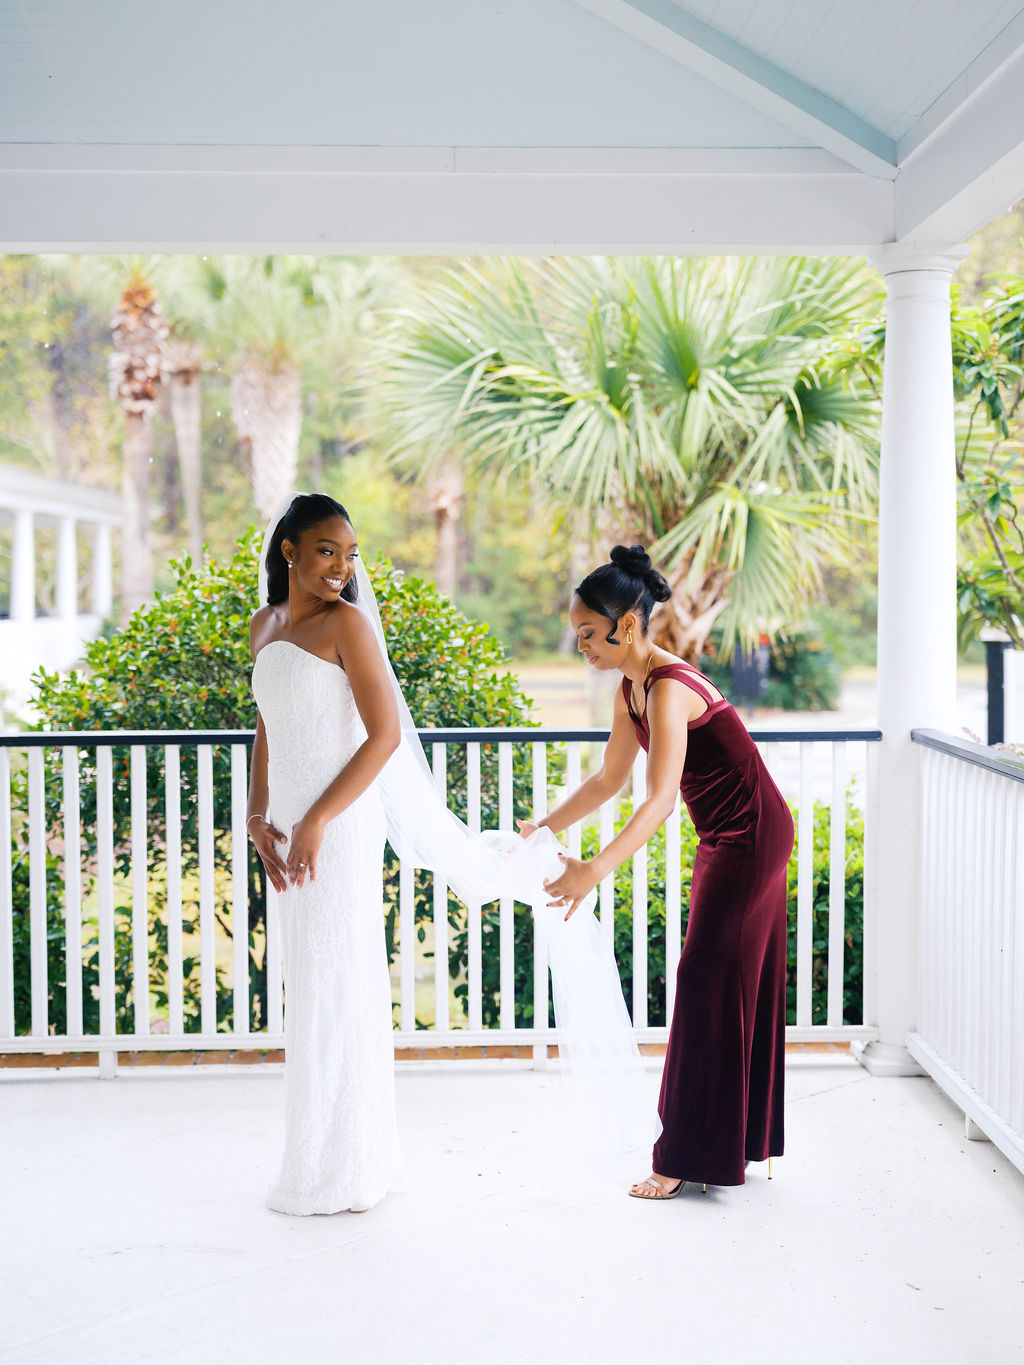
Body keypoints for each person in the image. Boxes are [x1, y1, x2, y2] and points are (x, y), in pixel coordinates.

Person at [532, 544, 794, 1198]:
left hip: (753, 834)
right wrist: (541, 830)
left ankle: (680, 1155)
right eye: (577, 635)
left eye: (589, 634)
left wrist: (592, 869)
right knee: (722, 975)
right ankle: (737, 1141)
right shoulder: (631, 690)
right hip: (726, 836)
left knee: (705, 974)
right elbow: (607, 781)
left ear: (626, 625)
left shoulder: (671, 688)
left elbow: (658, 798)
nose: (582, 647)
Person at [247, 493, 402, 1215]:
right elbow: (267, 728)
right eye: (325, 551)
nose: (342, 567)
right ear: (289, 551)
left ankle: (350, 1164)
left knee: (338, 979)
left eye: (350, 554)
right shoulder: (265, 625)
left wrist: (316, 820)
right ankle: (308, 1158)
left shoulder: (350, 625)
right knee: (308, 981)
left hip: (336, 828)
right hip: (285, 826)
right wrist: (258, 813)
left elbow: (384, 736)